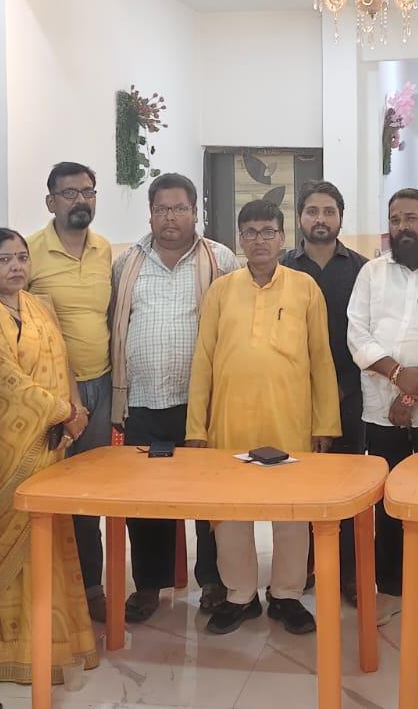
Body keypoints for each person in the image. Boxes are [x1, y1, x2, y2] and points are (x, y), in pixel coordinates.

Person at [185, 199, 341, 636]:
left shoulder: (305, 288)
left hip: (289, 421)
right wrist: (197, 428)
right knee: (229, 512)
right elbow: (203, 361)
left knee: (292, 513)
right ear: (240, 239)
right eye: (250, 232)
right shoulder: (221, 290)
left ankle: (287, 594)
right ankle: (240, 596)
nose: (259, 240)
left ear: (282, 237)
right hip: (229, 423)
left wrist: (325, 424)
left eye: (268, 232)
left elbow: (321, 359)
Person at [0, 228, 100, 685]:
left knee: (51, 539)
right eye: (4, 259)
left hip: (51, 441)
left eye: (22, 258)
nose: (16, 267)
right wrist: (65, 411)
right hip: (7, 446)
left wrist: (75, 410)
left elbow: (64, 364)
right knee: (12, 542)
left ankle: (58, 644)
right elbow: (6, 378)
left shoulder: (41, 306)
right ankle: (6, 650)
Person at [111, 173, 240, 620]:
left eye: (180, 208)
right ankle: (150, 584)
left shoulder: (220, 259)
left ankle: (214, 581)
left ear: (195, 212)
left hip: (201, 403)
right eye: (162, 209)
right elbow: (117, 323)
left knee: (209, 495)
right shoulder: (127, 263)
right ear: (150, 213)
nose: (170, 217)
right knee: (147, 497)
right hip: (143, 401)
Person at [346, 188, 418, 634]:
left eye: (411, 218)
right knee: (388, 505)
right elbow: (357, 334)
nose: (402, 227)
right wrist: (397, 375)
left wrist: (413, 394)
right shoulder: (371, 273)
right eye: (395, 219)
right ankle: (391, 590)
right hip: (381, 411)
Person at [26, 161, 114, 621]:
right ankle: (48, 590)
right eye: (69, 193)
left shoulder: (105, 250)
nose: (80, 200)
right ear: (50, 202)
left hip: (102, 385)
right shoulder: (28, 251)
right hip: (50, 395)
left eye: (88, 192)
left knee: (89, 491)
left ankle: (90, 586)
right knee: (46, 490)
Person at [281, 180, 369, 603]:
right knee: (299, 485)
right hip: (293, 399)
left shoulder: (362, 270)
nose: (320, 219)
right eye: (312, 211)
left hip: (350, 394)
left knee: (346, 487)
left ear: (340, 217)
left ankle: (348, 571)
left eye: (329, 211)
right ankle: (302, 565)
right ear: (299, 217)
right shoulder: (282, 268)